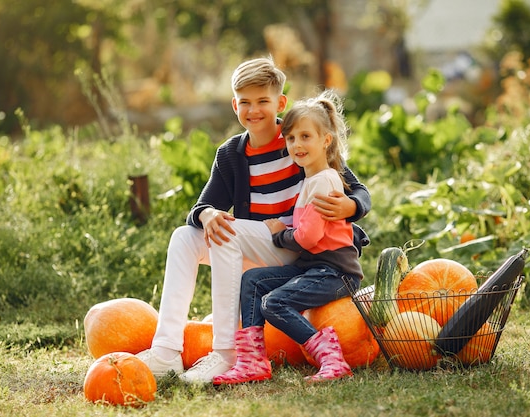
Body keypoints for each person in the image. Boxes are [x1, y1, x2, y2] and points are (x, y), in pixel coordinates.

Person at [137, 57, 371, 384]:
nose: (254, 110)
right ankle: (166, 351)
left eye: (263, 101)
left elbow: (358, 190)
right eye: (245, 102)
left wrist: (350, 207)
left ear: (280, 102)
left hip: (300, 249)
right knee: (184, 235)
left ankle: (226, 353)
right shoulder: (231, 154)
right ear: (235, 105)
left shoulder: (299, 138)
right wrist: (208, 213)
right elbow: (202, 206)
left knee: (227, 233)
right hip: (259, 246)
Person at [213, 90, 362, 385]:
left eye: (306, 137)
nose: (297, 144)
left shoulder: (325, 181)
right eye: (291, 138)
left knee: (273, 303)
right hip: (313, 268)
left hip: (336, 272)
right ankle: (252, 360)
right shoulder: (312, 179)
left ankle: (331, 358)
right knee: (253, 280)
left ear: (326, 140)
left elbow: (307, 237)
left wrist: (280, 235)